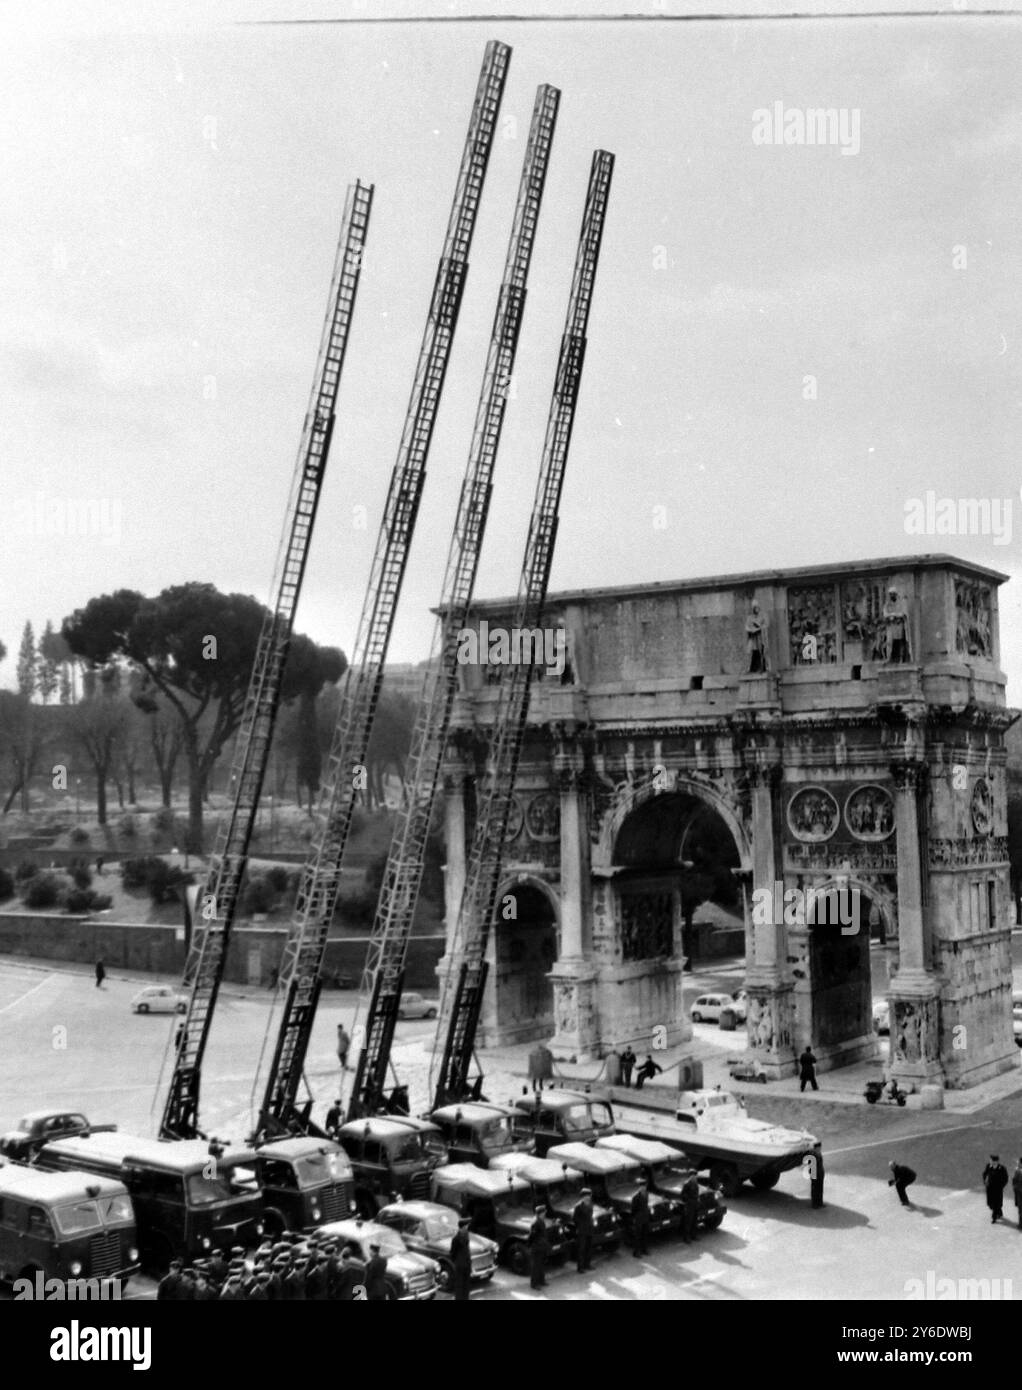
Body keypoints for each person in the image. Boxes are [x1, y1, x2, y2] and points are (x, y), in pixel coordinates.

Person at [450, 1217, 472, 1301]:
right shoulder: (459, 1237)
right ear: (463, 1227)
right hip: (463, 1264)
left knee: (463, 1285)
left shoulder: (463, 1236)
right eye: (466, 1226)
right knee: (462, 1285)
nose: (467, 1227)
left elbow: (453, 1252)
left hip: (463, 1264)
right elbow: (453, 1252)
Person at [527, 1206, 549, 1289]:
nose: (545, 1213)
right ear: (541, 1213)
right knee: (536, 1266)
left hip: (542, 1246)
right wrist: (529, 1245)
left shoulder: (541, 1221)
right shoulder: (536, 1222)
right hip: (537, 1247)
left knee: (541, 1265)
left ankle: (541, 1281)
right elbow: (532, 1235)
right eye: (544, 1212)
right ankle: (534, 1284)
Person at [982, 1154, 1009, 1224]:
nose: (990, 1161)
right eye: (990, 1160)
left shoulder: (1002, 1168)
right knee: (990, 1203)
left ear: (996, 1161)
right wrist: (985, 1181)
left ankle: (994, 1217)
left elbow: (1005, 1178)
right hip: (990, 1188)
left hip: (998, 1189)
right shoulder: (988, 1166)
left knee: (996, 1203)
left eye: (992, 1160)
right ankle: (999, 1212)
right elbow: (984, 1174)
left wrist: (1001, 1186)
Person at [574, 1188, 594, 1273]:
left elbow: (591, 1215)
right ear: (583, 1196)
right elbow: (575, 1219)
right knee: (581, 1249)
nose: (588, 1197)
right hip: (582, 1230)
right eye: (587, 1196)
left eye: (589, 1195)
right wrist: (581, 1225)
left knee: (589, 1248)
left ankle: (587, 1264)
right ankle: (580, 1267)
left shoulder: (590, 1204)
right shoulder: (578, 1206)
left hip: (589, 1229)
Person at [630, 1179, 650, 1257]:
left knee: (645, 1234)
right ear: (639, 1187)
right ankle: (636, 1252)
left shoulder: (647, 1194)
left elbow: (646, 1204)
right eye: (642, 1187)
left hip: (645, 1217)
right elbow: (633, 1209)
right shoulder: (636, 1197)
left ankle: (644, 1249)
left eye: (644, 1186)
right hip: (639, 1217)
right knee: (638, 1235)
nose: (643, 1188)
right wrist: (635, 1217)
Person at [681, 1171, 700, 1243]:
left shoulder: (696, 1183)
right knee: (688, 1222)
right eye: (694, 1175)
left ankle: (693, 1235)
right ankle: (686, 1238)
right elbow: (683, 1195)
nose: (695, 1177)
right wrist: (689, 1201)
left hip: (695, 1204)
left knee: (695, 1221)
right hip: (689, 1205)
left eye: (696, 1176)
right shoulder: (687, 1184)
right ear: (691, 1176)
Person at [1012, 1158, 1022, 1231]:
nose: (1017, 1163)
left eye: (1018, 1163)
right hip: (1019, 1193)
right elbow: (1014, 1182)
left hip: (1020, 1192)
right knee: (1020, 1209)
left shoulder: (1018, 1171)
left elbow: (1014, 1182)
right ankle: (1021, 1224)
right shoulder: (1017, 1171)